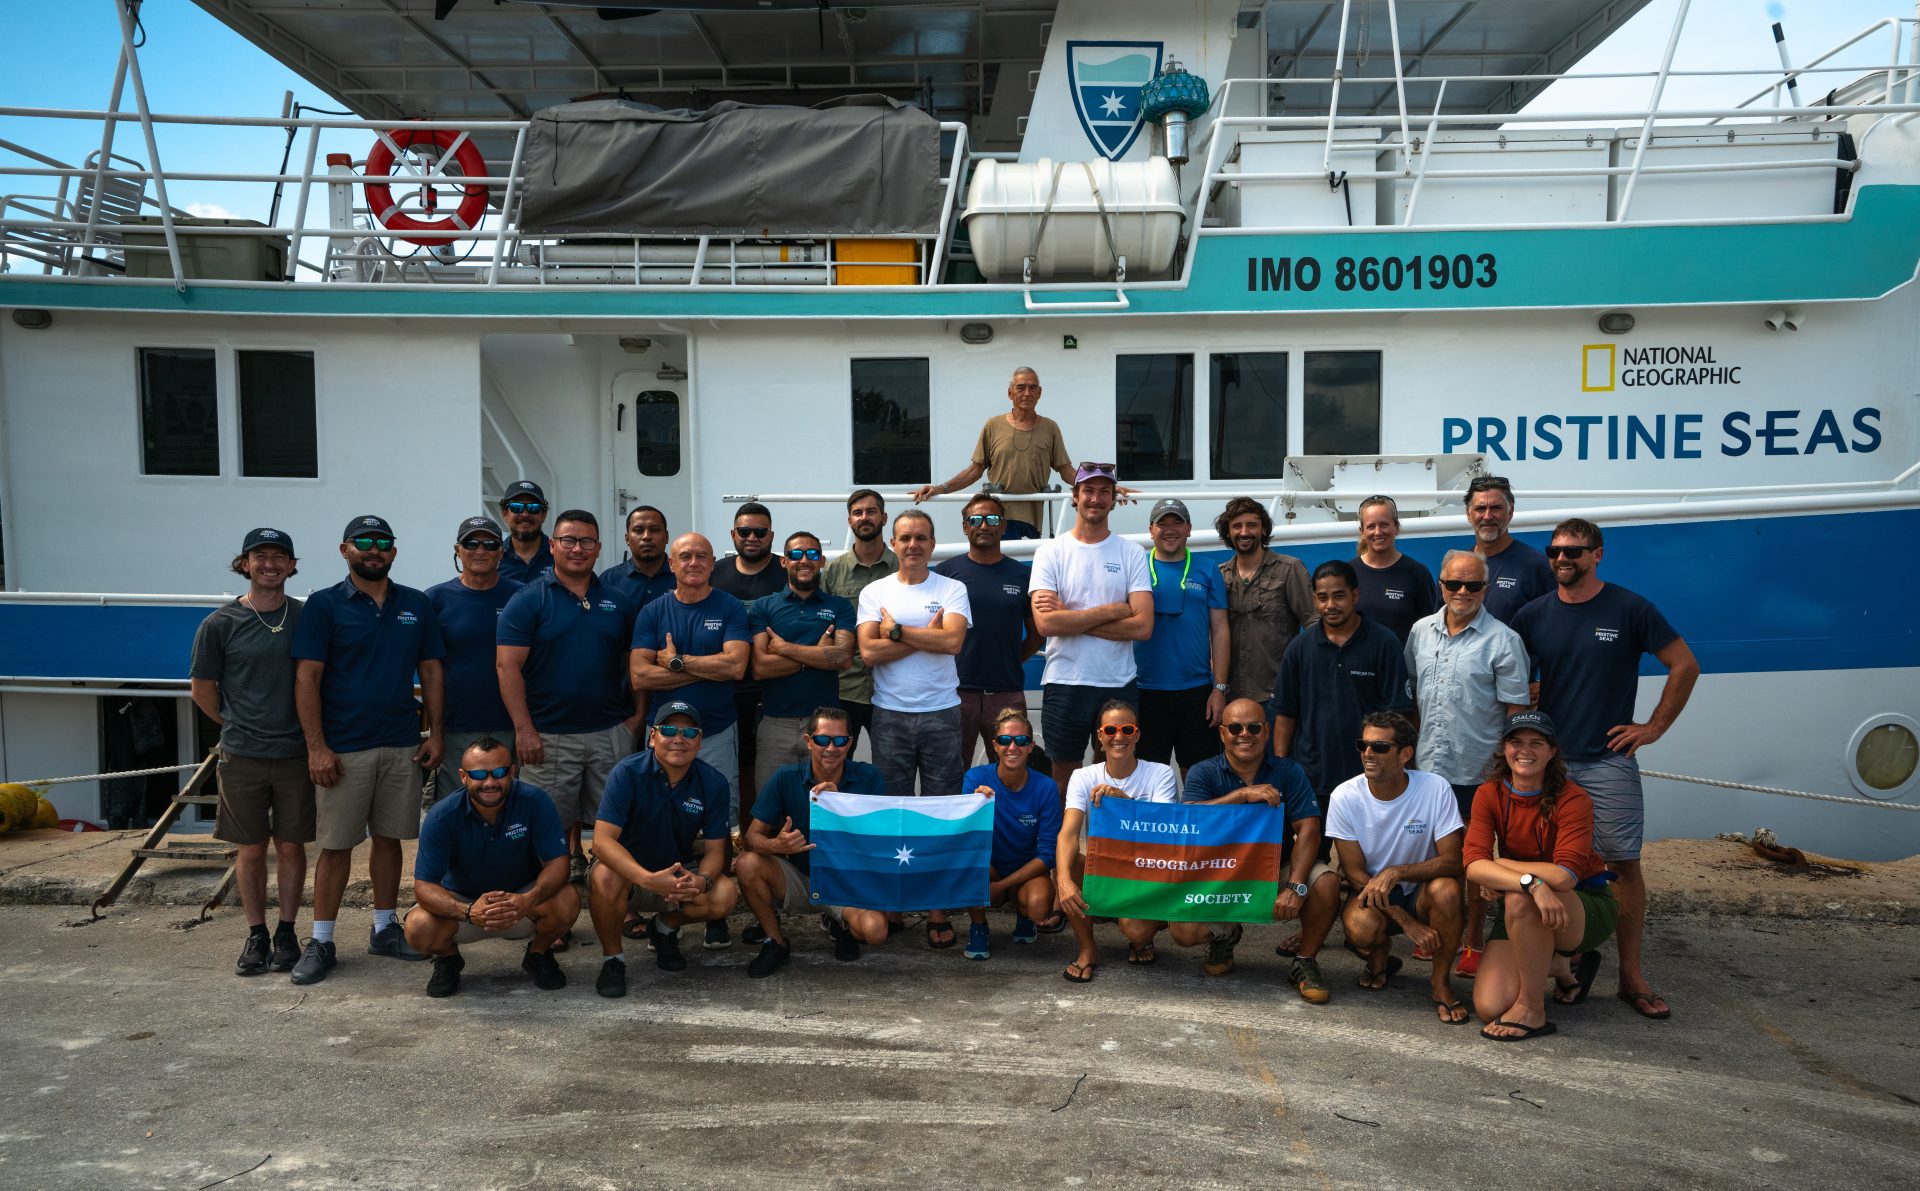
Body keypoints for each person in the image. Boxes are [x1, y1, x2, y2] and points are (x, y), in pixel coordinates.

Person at [1511, 519, 1698, 1021]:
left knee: (1622, 865)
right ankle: (1566, 964)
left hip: (1606, 762)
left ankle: (1631, 977)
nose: (1561, 558)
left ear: (1597, 554)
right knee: (1547, 861)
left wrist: (1653, 727)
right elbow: (1511, 674)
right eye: (1554, 550)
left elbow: (1685, 665)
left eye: (1574, 551)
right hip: (1548, 763)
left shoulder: (1630, 608)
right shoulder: (1533, 615)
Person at [289, 515, 446, 985]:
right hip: (343, 748)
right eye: (364, 541)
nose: (373, 549)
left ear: (393, 552)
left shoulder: (415, 604)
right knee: (336, 846)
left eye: (382, 542)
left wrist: (435, 734)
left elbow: (431, 671)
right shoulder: (324, 605)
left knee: (390, 839)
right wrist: (316, 747)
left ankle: (383, 928)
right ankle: (321, 940)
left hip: (401, 742)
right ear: (345, 550)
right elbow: (307, 678)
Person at [189, 527, 313, 978]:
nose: (270, 565)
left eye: (279, 557)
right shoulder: (218, 624)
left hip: (297, 752)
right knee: (251, 849)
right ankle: (257, 933)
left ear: (292, 566)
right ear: (244, 564)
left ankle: (287, 932)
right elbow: (202, 689)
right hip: (242, 755)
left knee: (292, 846)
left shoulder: (306, 616)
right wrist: (235, 724)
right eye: (260, 556)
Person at [1404, 548, 1530, 974]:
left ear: (1485, 589)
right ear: (1441, 585)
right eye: (1454, 583)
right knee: (1435, 855)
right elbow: (1414, 694)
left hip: (1479, 770)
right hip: (1428, 769)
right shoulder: (1420, 632)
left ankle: (1474, 940)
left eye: (1472, 584)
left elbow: (1516, 713)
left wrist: (1506, 769)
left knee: (1476, 862)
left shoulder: (1504, 641)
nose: (1462, 591)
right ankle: (1440, 931)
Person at [496, 510, 641, 881]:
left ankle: (615, 900)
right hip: (548, 737)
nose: (578, 549)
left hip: (610, 733)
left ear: (599, 548)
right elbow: (507, 668)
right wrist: (524, 730)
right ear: (552, 545)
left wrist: (636, 719)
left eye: (586, 541)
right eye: (569, 540)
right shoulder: (528, 601)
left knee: (617, 825)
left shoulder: (618, 601)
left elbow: (636, 663)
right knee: (547, 830)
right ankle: (550, 905)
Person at [1465, 711, 1621, 1041]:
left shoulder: (1574, 799)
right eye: (1516, 742)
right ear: (1504, 749)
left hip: (1584, 904)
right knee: (1490, 1006)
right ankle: (1562, 966)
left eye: (1536, 743)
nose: (1525, 750)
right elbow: (1474, 866)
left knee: (1520, 900)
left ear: (1552, 752)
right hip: (1525, 903)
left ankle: (1532, 1009)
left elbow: (1564, 877)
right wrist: (1532, 883)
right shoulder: (1489, 794)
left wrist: (1502, 864)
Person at [630, 532, 752, 947]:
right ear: (672, 563)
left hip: (715, 731)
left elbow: (736, 667)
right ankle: (669, 904)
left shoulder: (729, 607)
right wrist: (704, 669)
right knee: (661, 816)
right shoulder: (653, 612)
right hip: (664, 735)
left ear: (713, 563)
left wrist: (676, 662)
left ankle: (714, 908)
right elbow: (640, 675)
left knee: (721, 820)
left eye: (702, 556)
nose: (694, 562)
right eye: (685, 556)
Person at [856, 509, 972, 947]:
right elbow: (869, 653)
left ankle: (937, 908)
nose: (913, 545)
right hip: (891, 715)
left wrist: (897, 632)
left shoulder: (952, 588)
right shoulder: (874, 591)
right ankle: (896, 901)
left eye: (921, 537)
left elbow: (953, 642)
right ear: (893, 543)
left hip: (943, 713)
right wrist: (925, 634)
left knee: (940, 814)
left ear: (933, 544)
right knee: (895, 813)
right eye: (905, 538)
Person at [1181, 699, 1341, 1002]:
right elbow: (1190, 819)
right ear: (1222, 733)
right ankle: (1226, 935)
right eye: (1235, 728)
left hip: (1276, 870)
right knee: (1184, 932)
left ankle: (1305, 960)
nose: (1245, 734)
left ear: (1267, 732)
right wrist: (1242, 795)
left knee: (1327, 882)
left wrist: (1295, 885)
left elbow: (1308, 829)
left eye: (1253, 727)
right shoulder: (1203, 771)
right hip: (1219, 876)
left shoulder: (1289, 771)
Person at [401, 738, 581, 997]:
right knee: (418, 928)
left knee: (568, 898)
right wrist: (468, 911)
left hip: (520, 901)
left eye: (499, 772)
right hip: (463, 905)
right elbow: (424, 886)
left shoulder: (535, 801)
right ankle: (448, 959)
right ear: (463, 777)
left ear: (512, 771)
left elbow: (559, 863)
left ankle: (538, 953)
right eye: (478, 774)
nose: (489, 782)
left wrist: (528, 899)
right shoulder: (442, 815)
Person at [586, 701, 739, 997]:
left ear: (699, 741)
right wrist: (646, 878)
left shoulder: (714, 782)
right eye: (669, 730)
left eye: (689, 732)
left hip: (676, 871)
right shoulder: (627, 772)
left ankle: (664, 929)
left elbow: (715, 850)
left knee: (724, 894)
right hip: (628, 873)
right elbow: (602, 842)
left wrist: (702, 879)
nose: (679, 739)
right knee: (604, 877)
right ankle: (613, 959)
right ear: (652, 737)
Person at [1326, 712, 1469, 1023]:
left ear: (1405, 754)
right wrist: (1406, 922)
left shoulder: (1435, 788)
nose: (1368, 753)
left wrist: (1396, 872)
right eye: (1363, 745)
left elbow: (1453, 861)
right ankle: (1380, 952)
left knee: (1447, 891)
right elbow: (1354, 873)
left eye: (1379, 747)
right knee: (1360, 929)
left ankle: (1440, 983)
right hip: (1371, 891)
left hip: (1421, 891)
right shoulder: (1344, 796)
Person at [735, 707, 888, 977]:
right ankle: (775, 942)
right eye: (822, 739)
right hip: (803, 878)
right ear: (808, 741)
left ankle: (840, 923)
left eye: (840, 740)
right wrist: (777, 846)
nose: (831, 748)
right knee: (747, 864)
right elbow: (751, 838)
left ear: (850, 743)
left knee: (875, 932)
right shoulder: (786, 777)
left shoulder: (870, 777)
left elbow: (880, 840)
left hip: (848, 883)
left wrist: (840, 803)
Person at [1030, 464, 1153, 791]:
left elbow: (1142, 627)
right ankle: (1069, 830)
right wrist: (1114, 610)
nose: (1095, 499)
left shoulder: (1131, 552)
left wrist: (1070, 617)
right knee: (1063, 777)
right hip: (1065, 681)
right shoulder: (1049, 552)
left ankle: (1104, 829)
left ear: (1113, 499)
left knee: (1114, 774)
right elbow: (1046, 624)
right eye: (1088, 491)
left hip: (1118, 681)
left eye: (1104, 492)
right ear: (1075, 496)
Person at [1270, 560, 1413, 816]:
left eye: (1339, 596)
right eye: (1322, 598)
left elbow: (1398, 716)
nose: (1330, 605)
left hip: (1370, 777)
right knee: (1314, 843)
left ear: (1355, 595)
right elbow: (1285, 714)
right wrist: (1283, 770)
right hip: (1313, 778)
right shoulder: (1299, 648)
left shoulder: (1384, 643)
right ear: (1314, 599)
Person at [1052, 700, 1179, 983]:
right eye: (1110, 730)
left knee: (1136, 930)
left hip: (1146, 874)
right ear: (1099, 736)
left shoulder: (1160, 773)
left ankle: (1143, 939)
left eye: (1127, 729)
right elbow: (1068, 833)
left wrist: (1124, 802)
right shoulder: (1083, 776)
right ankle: (1088, 948)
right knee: (1065, 866)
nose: (1118, 736)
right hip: (1105, 871)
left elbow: (1162, 833)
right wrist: (1063, 880)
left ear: (1137, 735)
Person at [933, 493, 1041, 764]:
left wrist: (1011, 659)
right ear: (965, 527)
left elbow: (1037, 634)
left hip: (1006, 694)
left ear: (1003, 526)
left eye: (992, 519)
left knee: (1011, 772)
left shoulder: (1022, 575)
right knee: (952, 774)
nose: (984, 525)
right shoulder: (945, 573)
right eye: (976, 520)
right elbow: (932, 632)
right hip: (955, 693)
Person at [911, 367, 1076, 538]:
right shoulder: (993, 425)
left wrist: (1091, 487)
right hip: (997, 517)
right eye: (1021, 387)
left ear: (1039, 393)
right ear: (1010, 393)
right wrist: (940, 489)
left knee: (1030, 556)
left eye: (1032, 388)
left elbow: (1066, 471)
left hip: (1032, 519)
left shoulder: (1050, 428)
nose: (1027, 393)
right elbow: (975, 470)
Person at [748, 531, 856, 792]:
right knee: (770, 802)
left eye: (812, 554)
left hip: (825, 728)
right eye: (796, 554)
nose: (804, 560)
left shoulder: (840, 606)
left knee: (825, 803)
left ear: (822, 561)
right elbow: (761, 667)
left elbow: (842, 657)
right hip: (775, 724)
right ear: (784, 561)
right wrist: (817, 655)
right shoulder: (763, 606)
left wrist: (785, 648)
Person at [425, 516, 521, 804]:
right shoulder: (435, 599)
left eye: (490, 544)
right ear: (458, 550)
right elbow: (428, 670)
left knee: (509, 805)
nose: (481, 550)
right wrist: (436, 733)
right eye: (471, 543)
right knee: (457, 806)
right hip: (457, 727)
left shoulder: (521, 596)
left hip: (512, 725)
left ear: (501, 551)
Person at [1135, 498, 1230, 773]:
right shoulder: (1137, 567)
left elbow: (1220, 630)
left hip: (1196, 691)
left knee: (1198, 775)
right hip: (1145, 691)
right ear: (1151, 530)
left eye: (1177, 522)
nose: (1169, 529)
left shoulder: (1208, 569)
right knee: (1149, 776)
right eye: (1161, 523)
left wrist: (1219, 688)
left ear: (1189, 528)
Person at [961, 707, 1062, 960]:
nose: (1013, 747)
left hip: (1027, 868)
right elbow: (964, 840)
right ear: (995, 745)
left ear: (1031, 747)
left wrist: (1002, 886)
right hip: (990, 866)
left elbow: (1048, 854)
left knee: (1039, 907)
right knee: (970, 868)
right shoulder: (975, 779)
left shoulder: (1046, 787)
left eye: (1021, 740)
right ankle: (978, 927)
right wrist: (973, 807)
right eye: (1005, 740)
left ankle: (1023, 914)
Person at [712, 502, 787, 823]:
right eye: (744, 531)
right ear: (733, 534)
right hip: (727, 689)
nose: (752, 538)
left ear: (771, 535)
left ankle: (770, 834)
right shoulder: (716, 572)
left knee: (771, 771)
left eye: (760, 532)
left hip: (775, 689)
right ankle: (743, 834)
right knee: (738, 768)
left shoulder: (786, 572)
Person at [1214, 496, 1315, 704]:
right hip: (1230, 696)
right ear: (1228, 532)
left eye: (1252, 525)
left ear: (1264, 529)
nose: (1244, 532)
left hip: (1279, 694)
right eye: (1236, 526)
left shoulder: (1289, 569)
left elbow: (1314, 623)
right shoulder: (1218, 575)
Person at [820, 489, 897, 752]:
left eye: (871, 511)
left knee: (891, 767)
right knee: (837, 765)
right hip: (844, 689)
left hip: (892, 690)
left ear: (884, 518)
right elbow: (824, 628)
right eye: (857, 513)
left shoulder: (902, 568)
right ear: (850, 521)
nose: (864, 517)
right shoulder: (833, 572)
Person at [1465, 476, 1554, 625]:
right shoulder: (1455, 567)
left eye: (1496, 508)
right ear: (1468, 514)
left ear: (1510, 511)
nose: (1487, 516)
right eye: (1480, 508)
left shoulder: (1538, 567)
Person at [1352, 495, 1438, 644]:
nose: (1378, 532)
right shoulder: (1348, 573)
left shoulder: (1418, 574)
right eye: (1371, 526)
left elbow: (1432, 629)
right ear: (1362, 531)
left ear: (1396, 527)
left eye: (1384, 524)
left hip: (1403, 659)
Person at [599, 505, 676, 610]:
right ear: (627, 539)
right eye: (638, 530)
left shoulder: (684, 576)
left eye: (654, 530)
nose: (646, 536)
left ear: (666, 537)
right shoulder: (609, 580)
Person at [496, 480, 554, 583]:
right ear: (505, 514)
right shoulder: (494, 557)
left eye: (533, 508)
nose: (525, 514)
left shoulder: (558, 555)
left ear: (543, 515)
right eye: (516, 507)